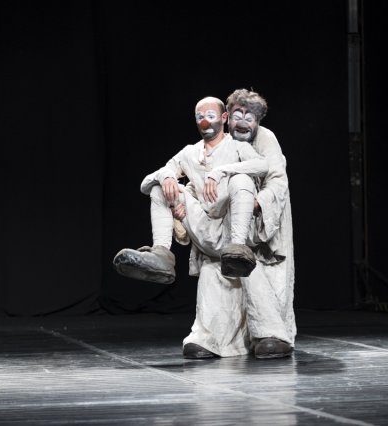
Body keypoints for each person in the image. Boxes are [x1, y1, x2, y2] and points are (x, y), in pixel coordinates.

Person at [175, 89, 296, 360]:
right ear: (227, 118)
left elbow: (277, 179)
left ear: (258, 121)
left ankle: (270, 333)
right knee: (215, 267)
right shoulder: (220, 144)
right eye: (237, 116)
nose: (242, 123)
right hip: (225, 218)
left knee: (255, 269)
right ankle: (209, 337)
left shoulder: (265, 139)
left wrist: (257, 202)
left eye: (249, 117)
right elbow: (199, 180)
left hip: (260, 223)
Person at [113, 95, 267, 294]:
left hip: (231, 231)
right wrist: (167, 176)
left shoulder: (238, 146)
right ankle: (162, 255)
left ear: (224, 118)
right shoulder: (189, 152)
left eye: (210, 115)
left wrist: (221, 171)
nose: (204, 122)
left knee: (242, 180)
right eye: (200, 117)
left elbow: (263, 165)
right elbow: (145, 185)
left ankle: (238, 250)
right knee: (160, 186)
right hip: (202, 226)